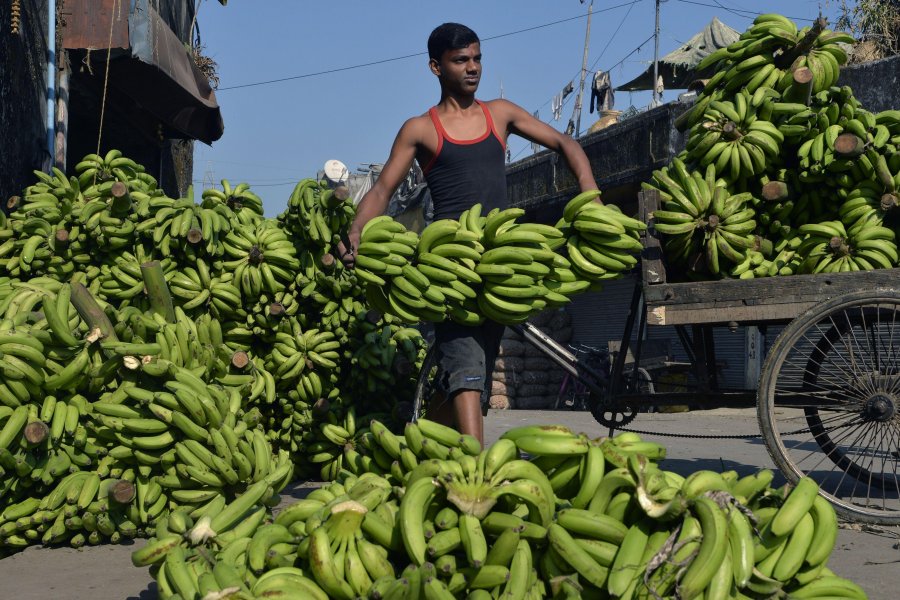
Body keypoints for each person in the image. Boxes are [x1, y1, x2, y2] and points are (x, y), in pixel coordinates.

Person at [338, 22, 599, 444]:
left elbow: (567, 145)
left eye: (477, 59)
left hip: (499, 260)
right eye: (461, 60)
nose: (472, 68)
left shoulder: (500, 114)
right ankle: (477, 466)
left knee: (475, 366)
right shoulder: (420, 129)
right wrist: (356, 231)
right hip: (451, 265)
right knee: (466, 361)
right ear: (435, 67)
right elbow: (383, 189)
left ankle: (429, 444)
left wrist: (593, 200)